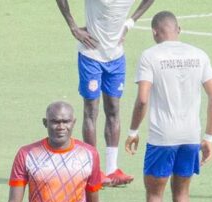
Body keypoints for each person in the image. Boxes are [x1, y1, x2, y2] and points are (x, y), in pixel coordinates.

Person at [125, 12, 212, 202]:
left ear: (155, 32)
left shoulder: (150, 56)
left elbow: (143, 99)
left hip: (161, 138)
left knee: (155, 197)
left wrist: (133, 131)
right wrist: (208, 137)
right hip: (190, 137)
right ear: (179, 28)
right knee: (182, 196)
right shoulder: (199, 55)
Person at [54, 0, 157, 186]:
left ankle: (111, 169)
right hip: (91, 56)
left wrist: (130, 23)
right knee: (91, 110)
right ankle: (93, 171)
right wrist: (73, 27)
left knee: (113, 109)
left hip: (116, 57)